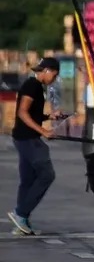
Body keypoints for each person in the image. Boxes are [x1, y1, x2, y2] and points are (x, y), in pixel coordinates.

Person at [8, 57, 66, 235]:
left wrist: (49, 117)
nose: (54, 80)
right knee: (47, 175)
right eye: (54, 76)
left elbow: (31, 114)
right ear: (47, 71)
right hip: (28, 139)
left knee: (28, 179)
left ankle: (21, 222)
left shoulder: (35, 86)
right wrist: (43, 131)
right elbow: (23, 113)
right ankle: (20, 213)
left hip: (22, 137)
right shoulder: (32, 85)